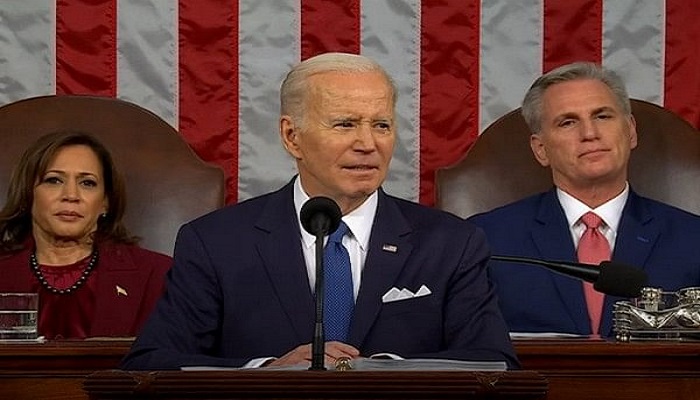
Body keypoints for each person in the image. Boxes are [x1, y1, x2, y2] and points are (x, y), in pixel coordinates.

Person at [120, 52, 518, 370]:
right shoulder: (216, 242)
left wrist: (380, 370)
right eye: (345, 124)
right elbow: (152, 363)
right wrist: (268, 371)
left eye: (381, 125)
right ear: (292, 137)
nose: (368, 143)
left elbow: (493, 360)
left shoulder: (450, 242)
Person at [468, 61, 700, 337]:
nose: (590, 134)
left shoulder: (692, 238)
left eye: (602, 116)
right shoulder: (486, 239)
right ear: (541, 149)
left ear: (631, 131)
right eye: (568, 122)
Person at [0, 131, 172, 339]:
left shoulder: (157, 275)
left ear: (105, 201)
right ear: (28, 194)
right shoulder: (5, 269)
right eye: (54, 180)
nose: (71, 196)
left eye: (87, 183)